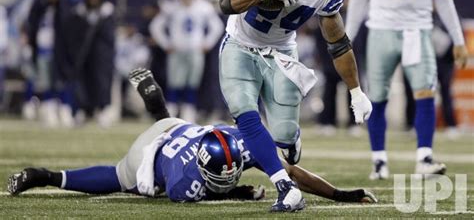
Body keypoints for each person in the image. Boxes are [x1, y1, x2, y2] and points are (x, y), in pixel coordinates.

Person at [8, 68, 377, 210]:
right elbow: (193, 186)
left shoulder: (237, 142)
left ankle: (158, 107)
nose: (236, 174)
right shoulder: (186, 183)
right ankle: (48, 176)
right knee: (122, 179)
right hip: (150, 157)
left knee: (178, 127)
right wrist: (234, 191)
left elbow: (291, 171)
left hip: (182, 131)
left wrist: (341, 194)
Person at [218, 0, 372, 211]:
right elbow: (225, 1)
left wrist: (356, 90)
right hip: (240, 43)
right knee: (245, 112)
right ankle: (285, 188)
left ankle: (290, 141)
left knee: (284, 136)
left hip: (282, 53)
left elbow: (338, 43)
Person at [345, 0, 468, 180]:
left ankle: (424, 158)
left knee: (426, 92)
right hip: (380, 30)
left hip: (418, 30)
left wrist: (459, 40)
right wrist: (347, 38)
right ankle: (379, 161)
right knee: (377, 95)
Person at [149, 0, 224, 122]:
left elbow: (217, 26)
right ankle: (170, 113)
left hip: (195, 51)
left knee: (192, 83)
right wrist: (166, 44)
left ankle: (188, 113)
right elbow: (155, 26)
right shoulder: (172, 7)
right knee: (174, 83)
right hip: (177, 51)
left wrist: (207, 43)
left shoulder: (203, 7)